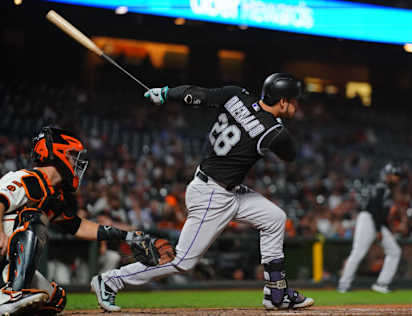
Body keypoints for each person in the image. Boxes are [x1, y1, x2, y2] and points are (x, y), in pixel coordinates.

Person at [90, 73, 314, 311]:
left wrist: (166, 93)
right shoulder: (274, 132)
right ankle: (110, 280)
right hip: (212, 195)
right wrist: (275, 125)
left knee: (274, 218)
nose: (296, 105)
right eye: (294, 101)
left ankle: (276, 292)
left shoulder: (237, 95)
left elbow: (198, 94)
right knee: (183, 261)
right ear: (282, 102)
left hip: (227, 190)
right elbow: (290, 155)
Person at [0, 127, 156, 315]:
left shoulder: (53, 195)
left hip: (7, 263)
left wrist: (126, 235)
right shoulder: (29, 179)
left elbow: (78, 226)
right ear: (57, 153)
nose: (76, 161)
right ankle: (12, 293)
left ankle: (11, 293)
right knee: (33, 217)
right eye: (73, 155)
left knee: (55, 300)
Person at [337, 163, 404, 294]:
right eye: (395, 175)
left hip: (377, 222)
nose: (397, 178)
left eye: (397, 175)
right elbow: (374, 208)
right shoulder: (381, 186)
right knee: (359, 251)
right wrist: (378, 229)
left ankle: (382, 283)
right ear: (388, 174)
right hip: (368, 219)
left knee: (394, 251)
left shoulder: (388, 189)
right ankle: (343, 284)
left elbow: (382, 212)